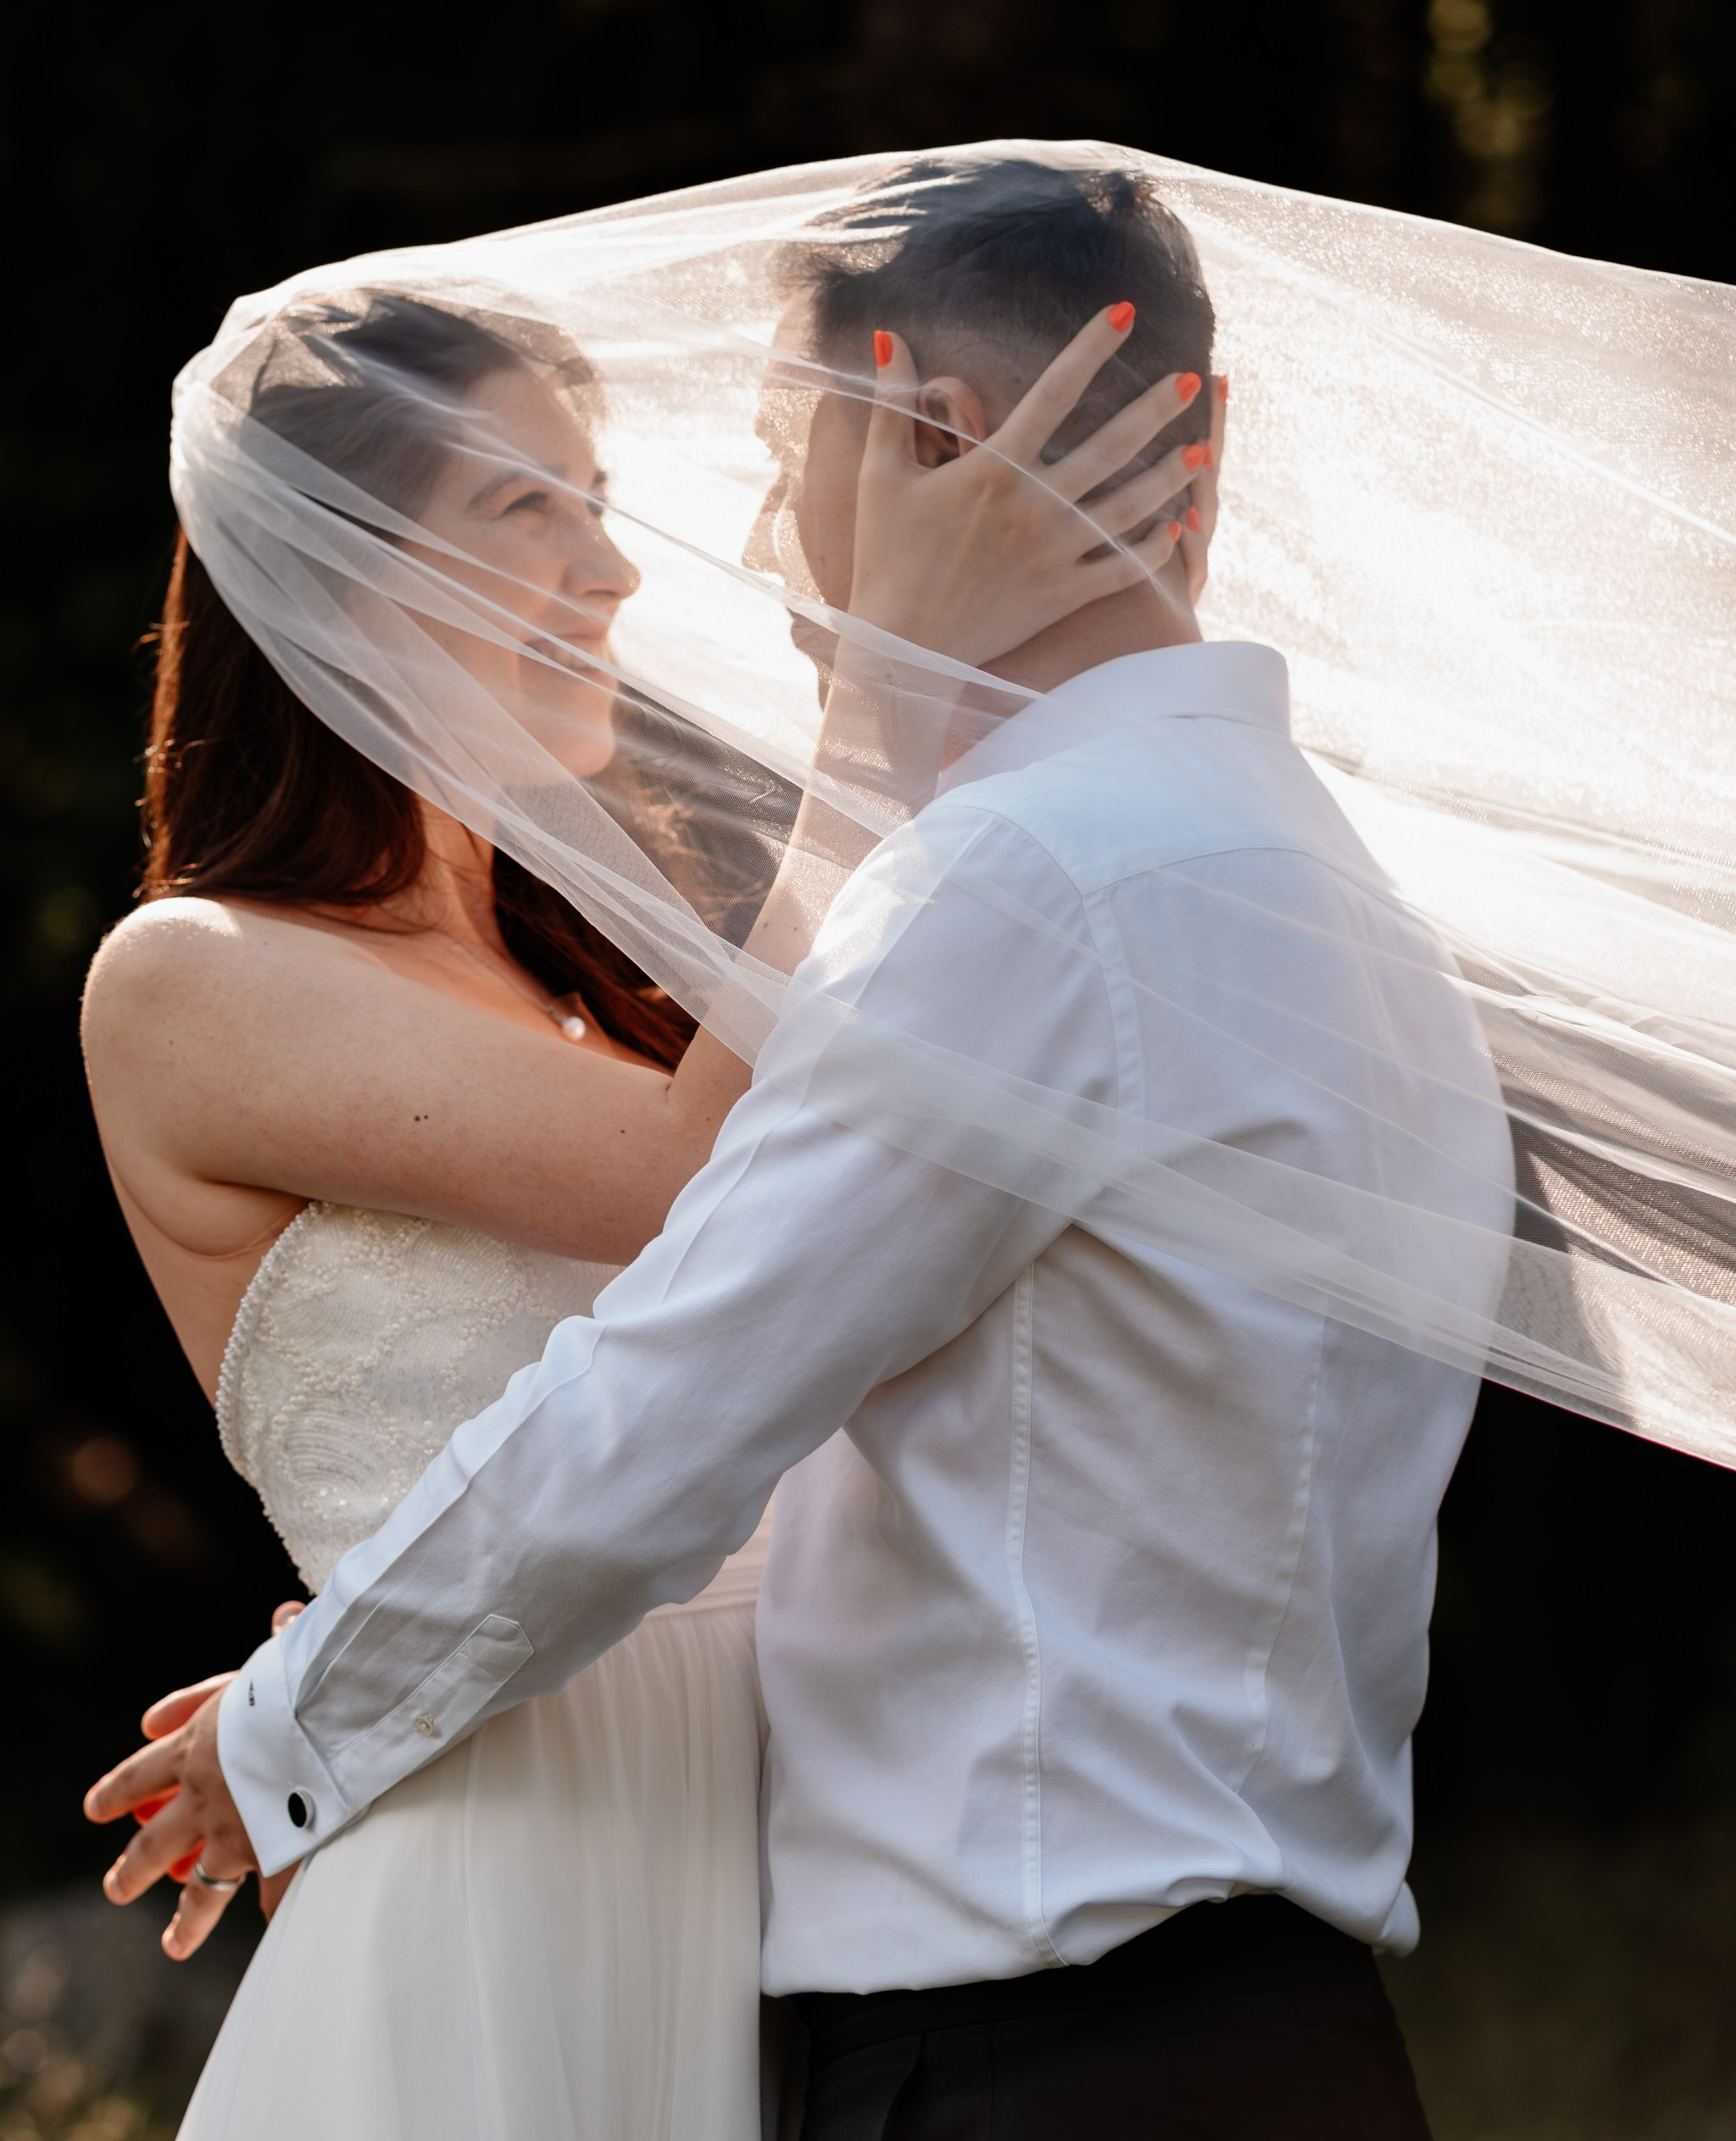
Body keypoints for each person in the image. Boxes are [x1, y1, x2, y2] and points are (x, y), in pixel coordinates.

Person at [88, 155, 1518, 2139]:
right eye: (541, 505)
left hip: (1013, 2032)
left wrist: (300, 1712)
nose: (700, 553)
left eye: (777, 454)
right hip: (792, 1938)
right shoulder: (1318, 884)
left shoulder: (1014, 887)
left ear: (935, 443)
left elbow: (681, 1376)